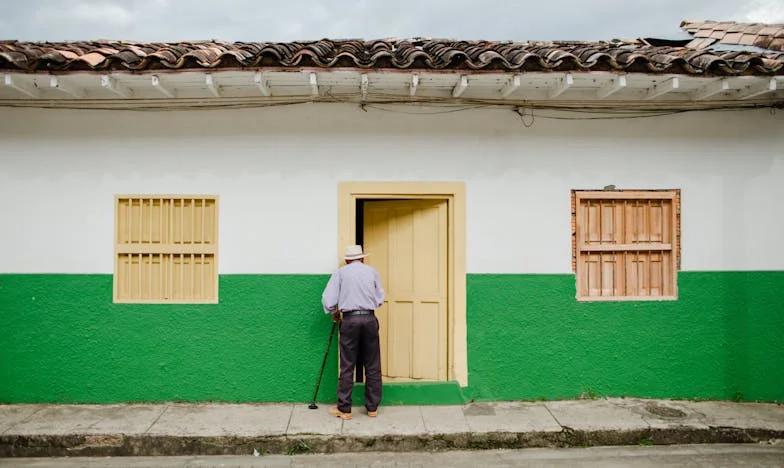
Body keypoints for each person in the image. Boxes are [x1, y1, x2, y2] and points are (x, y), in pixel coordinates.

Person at [321, 244, 385, 420]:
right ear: (363, 258)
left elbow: (329, 300)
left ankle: (345, 409)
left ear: (347, 260)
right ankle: (372, 408)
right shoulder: (372, 272)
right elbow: (380, 298)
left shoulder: (341, 273)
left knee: (347, 363)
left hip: (350, 320)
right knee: (372, 363)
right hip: (370, 319)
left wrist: (334, 311)